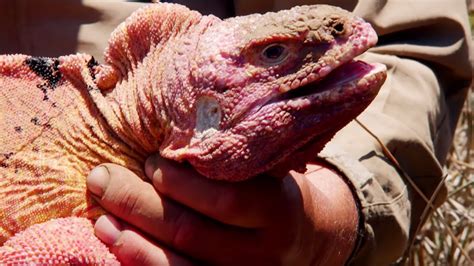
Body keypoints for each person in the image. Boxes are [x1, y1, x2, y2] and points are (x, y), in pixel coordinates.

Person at [1, 0, 471, 264]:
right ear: (197, 108)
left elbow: (410, 47)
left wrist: (331, 213)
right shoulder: (77, 220)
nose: (332, 40)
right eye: (273, 55)